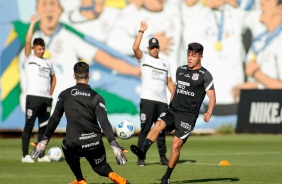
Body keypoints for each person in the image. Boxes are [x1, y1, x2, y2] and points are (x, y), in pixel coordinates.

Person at [30, 62, 130, 184]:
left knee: (65, 145)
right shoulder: (97, 97)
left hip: (74, 144)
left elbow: (55, 118)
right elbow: (104, 121)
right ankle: (112, 175)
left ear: (74, 76)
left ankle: (80, 179)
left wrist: (44, 140)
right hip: (94, 143)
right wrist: (114, 145)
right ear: (89, 75)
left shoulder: (64, 95)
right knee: (99, 166)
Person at [130, 42, 216, 184]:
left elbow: (212, 96)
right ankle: (143, 150)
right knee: (158, 124)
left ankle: (167, 177)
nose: (190, 58)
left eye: (193, 56)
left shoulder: (205, 75)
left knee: (176, 145)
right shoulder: (180, 70)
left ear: (201, 57)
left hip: (188, 116)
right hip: (173, 110)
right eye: (188, 55)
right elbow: (176, 91)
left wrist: (209, 112)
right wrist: (171, 102)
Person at [132, 21, 175, 166]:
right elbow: (135, 47)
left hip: (162, 101)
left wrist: (174, 96)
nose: (155, 49)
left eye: (157, 47)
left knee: (161, 131)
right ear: (148, 48)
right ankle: (141, 158)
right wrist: (141, 31)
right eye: (152, 47)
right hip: (148, 100)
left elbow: (169, 82)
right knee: (145, 129)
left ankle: (163, 158)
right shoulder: (144, 58)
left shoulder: (165, 63)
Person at [21, 14, 56, 163]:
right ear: (34, 48)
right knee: (29, 126)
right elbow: (27, 41)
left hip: (46, 99)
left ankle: (41, 155)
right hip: (33, 97)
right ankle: (25, 155)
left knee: (44, 128)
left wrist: (52, 90)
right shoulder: (30, 59)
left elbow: (54, 77)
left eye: (43, 49)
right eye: (39, 49)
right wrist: (32, 24)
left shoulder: (48, 63)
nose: (41, 51)